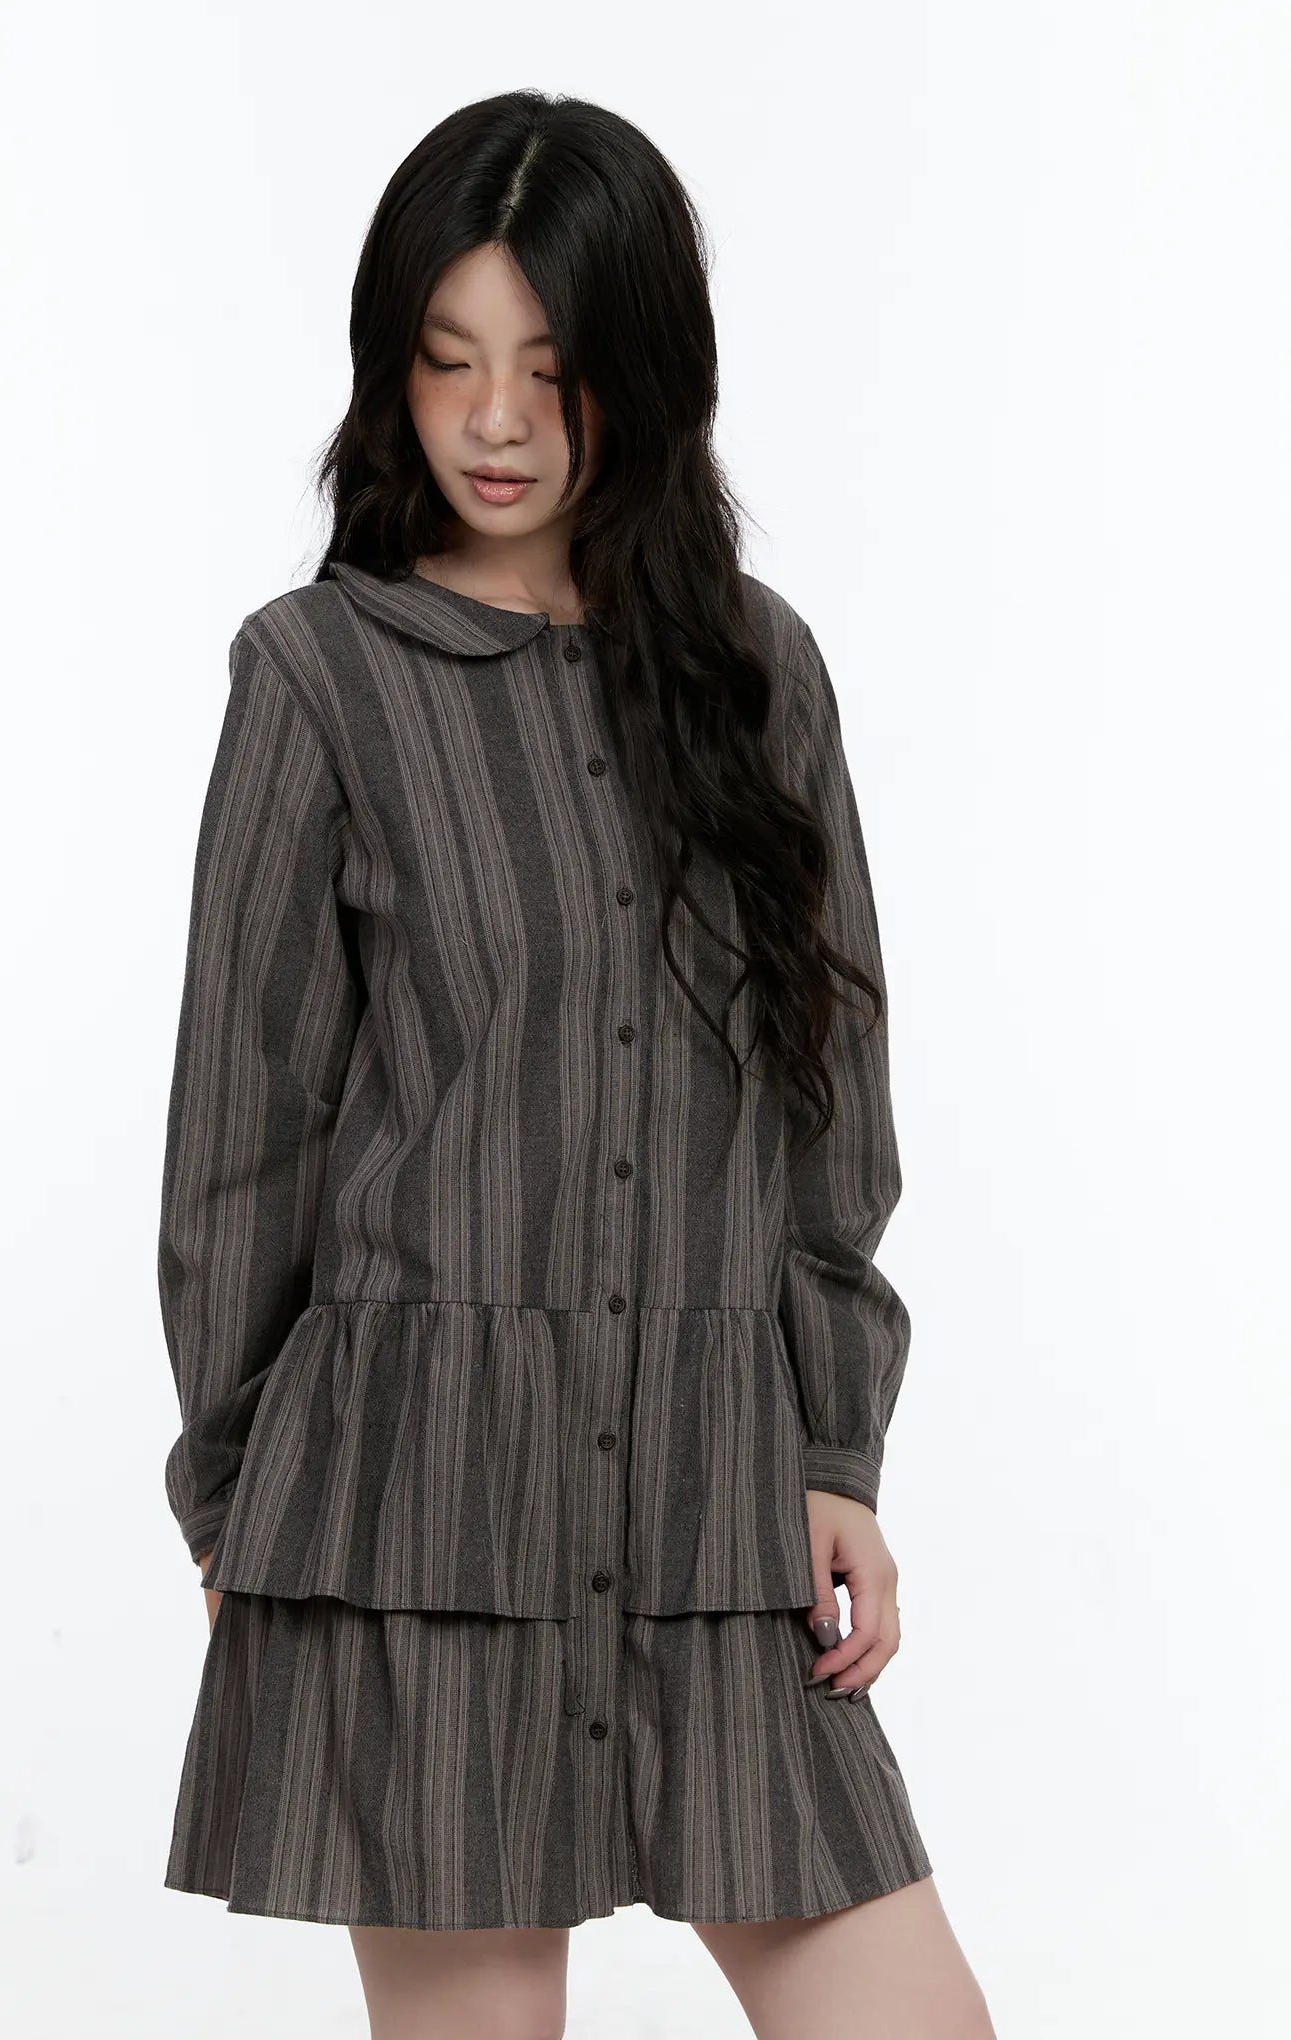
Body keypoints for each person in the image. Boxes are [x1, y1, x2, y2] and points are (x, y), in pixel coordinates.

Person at [156, 88, 994, 2040]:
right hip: (414, 1508)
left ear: (645, 374)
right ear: (392, 370)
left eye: (551, 366)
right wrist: (238, 1504)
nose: (498, 420)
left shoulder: (757, 672)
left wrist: (834, 1451)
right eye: (448, 359)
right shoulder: (319, 676)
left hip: (714, 1500)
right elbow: (242, 1136)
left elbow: (829, 1093)